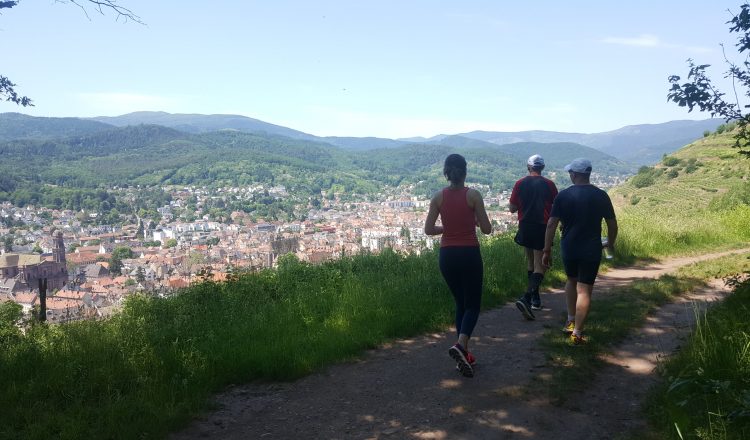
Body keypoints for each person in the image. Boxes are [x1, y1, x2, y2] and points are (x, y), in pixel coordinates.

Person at [424, 153, 492, 377]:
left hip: (447, 256)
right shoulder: (473, 195)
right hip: (469, 253)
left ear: (446, 173)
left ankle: (463, 355)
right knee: (472, 305)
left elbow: (428, 230)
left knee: (460, 303)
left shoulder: (438, 197)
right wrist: (471, 221)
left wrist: (448, 229)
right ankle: (461, 346)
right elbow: (486, 229)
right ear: (465, 172)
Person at [542, 158, 618, 345]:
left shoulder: (563, 196)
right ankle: (577, 332)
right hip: (592, 247)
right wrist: (610, 242)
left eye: (570, 173)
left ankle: (570, 319)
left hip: (569, 245)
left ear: (574, 175)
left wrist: (546, 250)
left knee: (571, 280)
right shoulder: (601, 195)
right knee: (585, 290)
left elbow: (551, 224)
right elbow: (612, 224)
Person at [509, 154, 558, 320]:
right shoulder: (550, 185)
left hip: (525, 225)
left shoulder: (520, 183)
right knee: (541, 265)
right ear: (542, 168)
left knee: (531, 263)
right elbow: (557, 207)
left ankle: (535, 300)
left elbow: (512, 208)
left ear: (528, 167)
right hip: (542, 226)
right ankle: (528, 297)